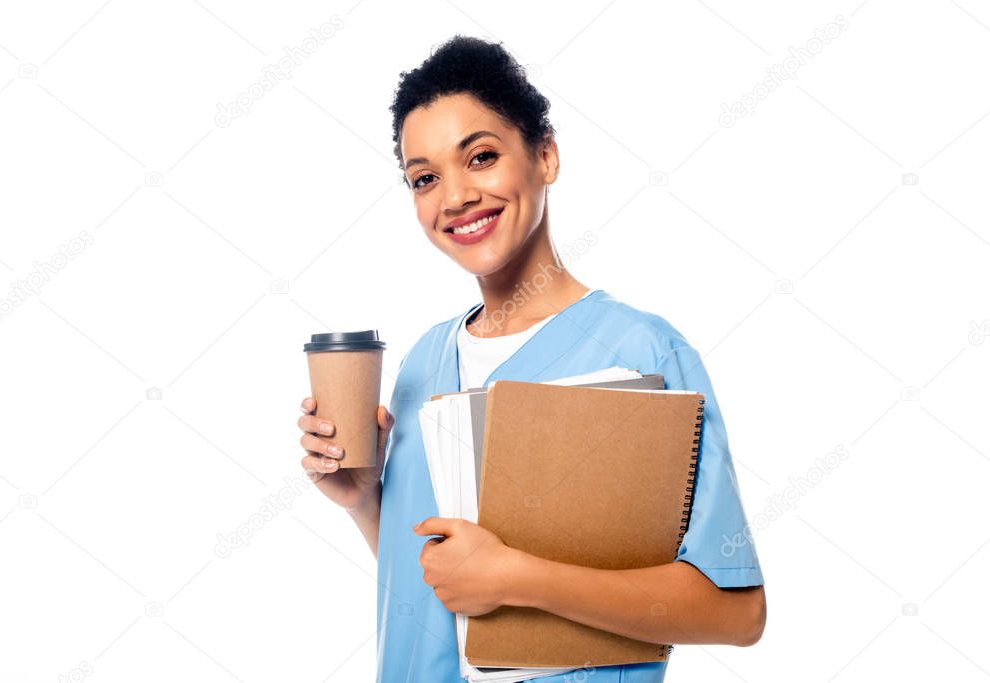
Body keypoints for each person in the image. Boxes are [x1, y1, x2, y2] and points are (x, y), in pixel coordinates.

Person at [297, 35, 766, 682]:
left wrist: (522, 578)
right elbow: (443, 591)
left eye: (481, 156)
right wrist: (362, 502)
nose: (455, 196)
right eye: (424, 178)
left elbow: (734, 612)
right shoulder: (421, 364)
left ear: (545, 156)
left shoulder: (641, 350)